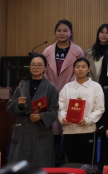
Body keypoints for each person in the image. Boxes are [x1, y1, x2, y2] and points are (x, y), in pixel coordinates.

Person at [42, 19, 85, 164]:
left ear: (70, 33)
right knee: (53, 128)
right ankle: (54, 160)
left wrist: (68, 89)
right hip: (51, 93)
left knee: (68, 126)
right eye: (59, 30)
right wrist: (51, 89)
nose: (62, 33)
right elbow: (44, 72)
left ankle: (68, 160)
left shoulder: (77, 51)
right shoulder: (47, 51)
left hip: (71, 94)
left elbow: (79, 72)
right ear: (55, 32)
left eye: (65, 30)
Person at [7, 53, 59, 167]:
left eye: (39, 65)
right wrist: (18, 104)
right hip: (23, 127)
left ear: (45, 67)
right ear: (30, 67)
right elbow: (10, 107)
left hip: (41, 129)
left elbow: (54, 111)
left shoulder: (51, 88)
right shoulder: (22, 86)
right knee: (20, 164)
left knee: (41, 163)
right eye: (33, 65)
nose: (36, 67)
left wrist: (41, 116)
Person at [58, 57, 105, 165]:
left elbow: (100, 109)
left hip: (88, 131)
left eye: (83, 67)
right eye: (77, 67)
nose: (80, 69)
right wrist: (63, 118)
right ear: (73, 69)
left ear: (88, 69)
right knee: (71, 164)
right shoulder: (67, 87)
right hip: (69, 131)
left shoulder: (96, 87)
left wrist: (87, 120)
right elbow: (61, 107)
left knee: (88, 164)